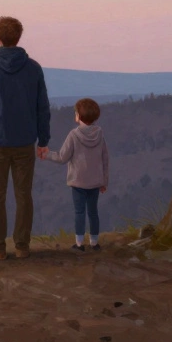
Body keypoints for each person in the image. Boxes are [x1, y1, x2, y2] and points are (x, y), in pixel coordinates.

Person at [0, 16, 50, 260]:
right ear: (19, 36)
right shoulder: (33, 68)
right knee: (24, 194)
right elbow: (42, 107)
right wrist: (43, 140)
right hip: (25, 140)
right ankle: (22, 246)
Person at [40, 98, 110, 252]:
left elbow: (62, 157)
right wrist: (104, 181)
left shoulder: (73, 135)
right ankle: (94, 242)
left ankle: (79, 244)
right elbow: (105, 158)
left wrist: (46, 154)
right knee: (93, 212)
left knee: (79, 212)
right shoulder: (100, 135)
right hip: (95, 182)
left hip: (78, 182)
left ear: (78, 116)